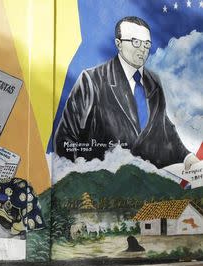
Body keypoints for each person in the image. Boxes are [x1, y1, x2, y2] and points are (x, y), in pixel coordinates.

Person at [54, 16, 199, 169]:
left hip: (145, 184)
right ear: (119, 44)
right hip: (100, 184)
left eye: (147, 44)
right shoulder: (91, 80)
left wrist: (187, 158)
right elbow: (65, 139)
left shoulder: (154, 81)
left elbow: (162, 130)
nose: (143, 49)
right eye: (136, 42)